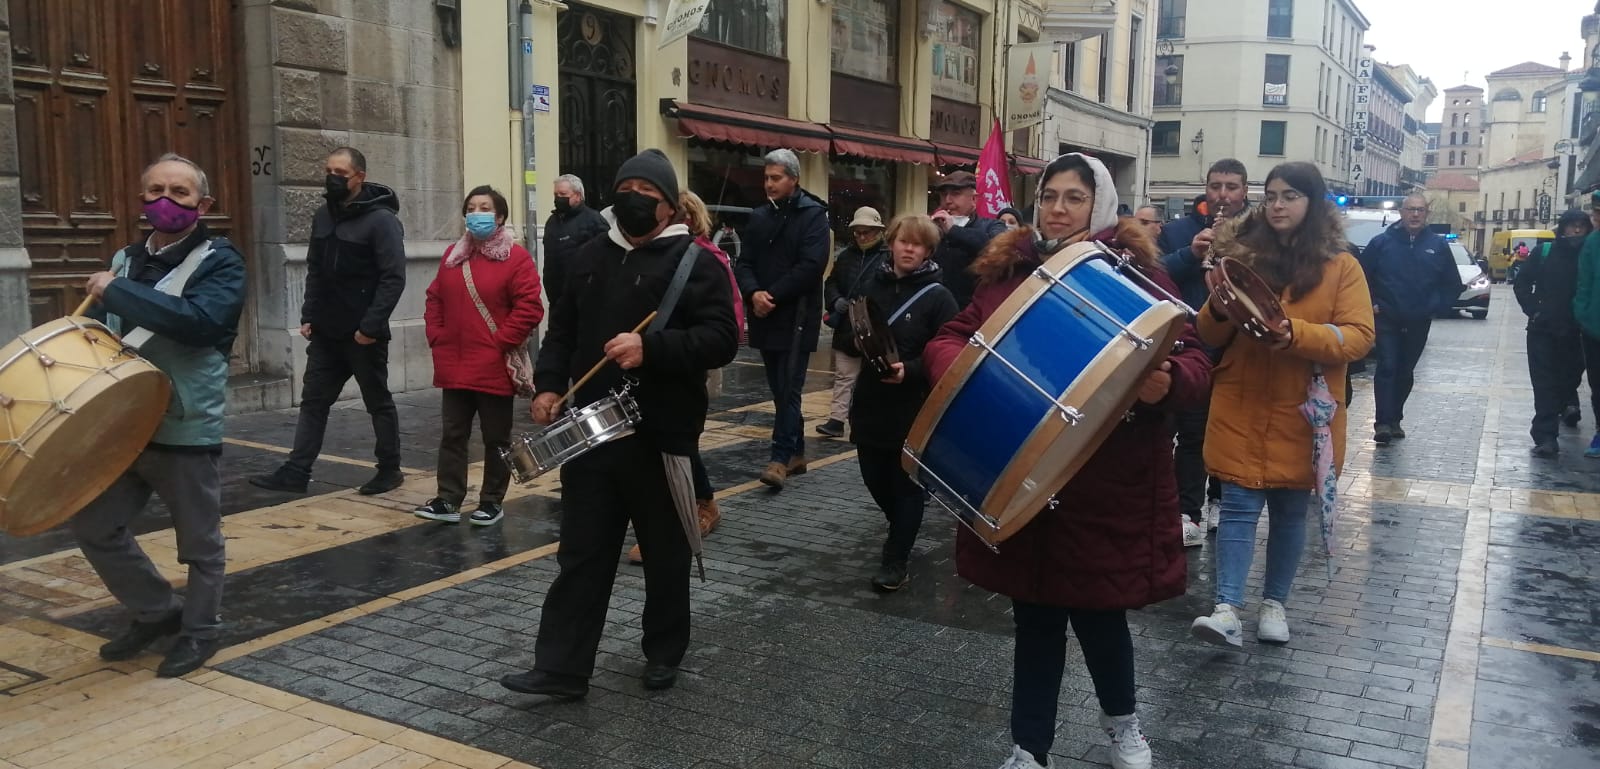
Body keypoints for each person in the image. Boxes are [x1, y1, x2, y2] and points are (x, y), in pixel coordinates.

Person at [926, 153, 1211, 769]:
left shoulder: (1137, 275)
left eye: (1074, 198)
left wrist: (1170, 383)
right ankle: (1030, 748)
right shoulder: (1008, 272)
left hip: (1106, 482)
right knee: (1035, 620)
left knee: (1101, 616)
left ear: (1099, 204)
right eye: (1050, 196)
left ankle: (1123, 726)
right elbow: (954, 335)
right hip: (1028, 473)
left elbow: (1193, 358)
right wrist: (964, 379)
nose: (1058, 208)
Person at [499, 149, 737, 700]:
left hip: (661, 436)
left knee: (665, 552)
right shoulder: (589, 255)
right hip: (588, 436)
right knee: (580, 554)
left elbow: (722, 338)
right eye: (624, 188)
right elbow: (562, 333)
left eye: (645, 193)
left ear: (669, 205)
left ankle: (663, 652)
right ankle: (561, 668)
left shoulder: (696, 262)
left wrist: (649, 348)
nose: (632, 199)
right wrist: (550, 385)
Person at [70, 153, 246, 677]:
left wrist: (116, 289)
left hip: (182, 423)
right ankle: (156, 612)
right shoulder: (125, 259)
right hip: (123, 424)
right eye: (154, 191)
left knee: (198, 542)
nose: (164, 201)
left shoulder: (222, 262)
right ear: (141, 198)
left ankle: (201, 630)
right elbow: (100, 335)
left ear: (203, 204)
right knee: (96, 527)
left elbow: (197, 322)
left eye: (179, 192)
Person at [1190, 162, 1374, 650]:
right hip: (1242, 400)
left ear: (1312, 203)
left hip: (1302, 410)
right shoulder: (1241, 256)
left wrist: (1295, 334)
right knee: (1237, 506)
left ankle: (1275, 604)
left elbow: (1358, 337)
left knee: (1291, 511)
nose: (1277, 205)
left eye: (1290, 196)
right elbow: (1207, 335)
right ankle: (1227, 607)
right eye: (1271, 195)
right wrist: (1218, 303)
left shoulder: (1341, 266)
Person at [251, 147, 407, 495]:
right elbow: (316, 269)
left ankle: (390, 468)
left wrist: (370, 326)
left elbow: (393, 278)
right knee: (313, 402)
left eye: (340, 172)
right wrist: (309, 315)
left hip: (363, 335)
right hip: (326, 333)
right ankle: (296, 471)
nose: (332, 178)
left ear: (359, 177)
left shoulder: (381, 221)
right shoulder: (323, 215)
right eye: (328, 170)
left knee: (377, 401)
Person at [415, 186, 545, 524]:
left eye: (484, 207)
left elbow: (530, 308)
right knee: (452, 434)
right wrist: (437, 336)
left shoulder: (516, 257)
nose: (477, 212)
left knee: (496, 438)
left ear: (499, 216)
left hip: (492, 364)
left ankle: (491, 501)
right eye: (471, 207)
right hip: (454, 363)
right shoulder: (453, 255)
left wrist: (500, 342)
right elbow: (435, 298)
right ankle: (448, 499)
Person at [627, 189, 740, 564]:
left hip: (688, 368)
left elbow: (725, 325)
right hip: (647, 369)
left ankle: (697, 507)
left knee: (679, 441)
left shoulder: (704, 258)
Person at [849, 214, 959, 592]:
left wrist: (909, 370)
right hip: (870, 402)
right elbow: (852, 335)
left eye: (918, 244)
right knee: (874, 479)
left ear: (928, 250)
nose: (909, 248)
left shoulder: (939, 297)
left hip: (913, 406)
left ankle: (896, 559)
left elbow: (948, 352)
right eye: (903, 241)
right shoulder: (870, 283)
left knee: (905, 486)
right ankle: (902, 528)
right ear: (891, 243)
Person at [1161, 160, 1251, 543]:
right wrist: (1188, 254)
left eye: (1232, 187)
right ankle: (1188, 511)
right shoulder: (1178, 230)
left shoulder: (1259, 233)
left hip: (1238, 349)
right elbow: (1154, 274)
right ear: (1206, 188)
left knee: (1229, 432)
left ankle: (1219, 500)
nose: (1223, 195)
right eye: (1216, 186)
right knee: (1193, 435)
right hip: (1192, 345)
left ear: (1245, 191)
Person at [734, 149, 830, 490]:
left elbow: (810, 266)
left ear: (794, 179)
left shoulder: (814, 215)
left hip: (796, 318)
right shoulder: (760, 217)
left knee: (789, 388)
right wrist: (753, 293)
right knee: (779, 390)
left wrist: (770, 295)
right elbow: (743, 262)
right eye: (766, 178)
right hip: (765, 316)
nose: (769, 184)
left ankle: (779, 458)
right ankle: (798, 452)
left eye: (776, 178)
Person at [1358, 194, 1461, 445]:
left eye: (1420, 210)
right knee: (1387, 366)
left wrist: (1436, 307)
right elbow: (1359, 277)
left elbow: (1452, 283)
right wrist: (1372, 304)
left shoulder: (1437, 246)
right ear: (1401, 213)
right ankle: (1382, 422)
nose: (1415, 215)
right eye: (1410, 210)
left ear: (1427, 214)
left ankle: (1395, 419)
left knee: (1405, 371)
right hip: (1387, 318)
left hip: (1418, 320)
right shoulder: (1381, 243)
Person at [1517, 209, 1593, 457]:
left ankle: (1562, 408)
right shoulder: (1544, 253)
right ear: (1562, 228)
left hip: (1578, 332)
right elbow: (1522, 283)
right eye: (1572, 226)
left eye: (1582, 226)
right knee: (1544, 385)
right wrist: (1533, 310)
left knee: (1568, 382)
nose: (1577, 231)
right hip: (1543, 330)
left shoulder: (1590, 254)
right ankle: (1545, 436)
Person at [816, 206, 888, 439]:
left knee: (872, 378)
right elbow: (832, 282)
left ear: (878, 231)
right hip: (847, 327)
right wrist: (835, 300)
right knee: (844, 375)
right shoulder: (846, 256)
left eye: (866, 231)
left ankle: (864, 420)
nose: (862, 236)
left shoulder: (887, 257)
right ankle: (837, 420)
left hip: (874, 328)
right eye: (858, 232)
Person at [929, 170, 1008, 307]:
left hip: (975, 310)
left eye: (955, 194)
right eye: (944, 195)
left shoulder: (992, 225)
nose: (948, 201)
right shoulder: (935, 227)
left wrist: (954, 231)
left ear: (974, 199)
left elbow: (996, 247)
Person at [541, 174, 608, 305]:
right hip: (557, 298)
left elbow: (607, 260)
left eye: (563, 194)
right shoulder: (552, 222)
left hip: (585, 299)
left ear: (578, 196)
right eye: (556, 194)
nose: (558, 198)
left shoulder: (594, 221)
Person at [1574, 194, 1600, 458]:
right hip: (1595, 327)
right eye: (1596, 215)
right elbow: (1585, 281)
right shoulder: (1593, 243)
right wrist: (1583, 313)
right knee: (1598, 383)